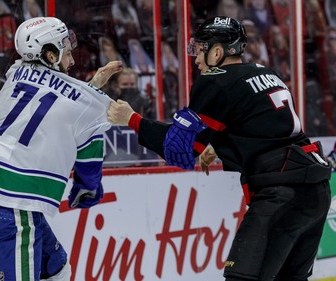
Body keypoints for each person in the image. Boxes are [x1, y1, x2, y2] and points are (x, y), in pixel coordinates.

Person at [107, 16, 332, 281]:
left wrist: (133, 120)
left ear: (217, 51)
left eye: (200, 50)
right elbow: (269, 128)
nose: (196, 59)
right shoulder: (267, 73)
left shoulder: (217, 80)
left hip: (281, 195)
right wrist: (219, 143)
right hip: (316, 192)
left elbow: (180, 150)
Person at [0, 17, 122, 280]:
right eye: (65, 49)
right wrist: (88, 187)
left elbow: (51, 98)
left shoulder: (14, 73)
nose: (72, 60)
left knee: (57, 268)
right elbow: (86, 137)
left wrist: (90, 88)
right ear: (49, 54)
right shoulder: (81, 104)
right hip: (12, 206)